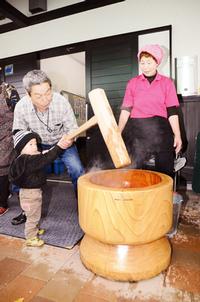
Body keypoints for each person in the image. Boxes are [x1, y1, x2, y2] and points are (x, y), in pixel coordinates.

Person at [11, 69, 85, 225]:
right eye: (38, 95)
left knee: (77, 169)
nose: (45, 99)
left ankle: (84, 208)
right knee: (24, 173)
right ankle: (27, 211)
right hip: (35, 145)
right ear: (28, 93)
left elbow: (72, 129)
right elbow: (18, 134)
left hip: (63, 142)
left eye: (48, 92)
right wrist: (32, 150)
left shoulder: (61, 101)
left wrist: (69, 140)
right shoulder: (21, 107)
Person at [118, 44, 182, 177]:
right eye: (142, 63)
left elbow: (172, 111)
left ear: (157, 62)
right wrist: (118, 131)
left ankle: (163, 195)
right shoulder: (133, 83)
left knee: (165, 168)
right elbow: (126, 110)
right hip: (137, 127)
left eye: (148, 62)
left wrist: (178, 135)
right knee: (134, 168)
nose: (145, 66)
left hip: (161, 127)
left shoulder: (167, 83)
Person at [9, 130, 72, 246]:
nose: (34, 147)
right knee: (33, 217)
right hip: (31, 195)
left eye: (35, 144)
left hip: (26, 193)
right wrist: (59, 147)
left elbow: (40, 157)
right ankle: (31, 238)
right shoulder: (30, 161)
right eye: (30, 145)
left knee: (34, 214)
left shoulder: (22, 159)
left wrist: (44, 152)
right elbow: (46, 159)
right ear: (21, 148)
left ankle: (34, 230)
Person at [0, 80, 20, 216]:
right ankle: (6, 192)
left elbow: (18, 113)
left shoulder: (8, 90)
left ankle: (2, 203)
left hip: (8, 133)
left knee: (2, 164)